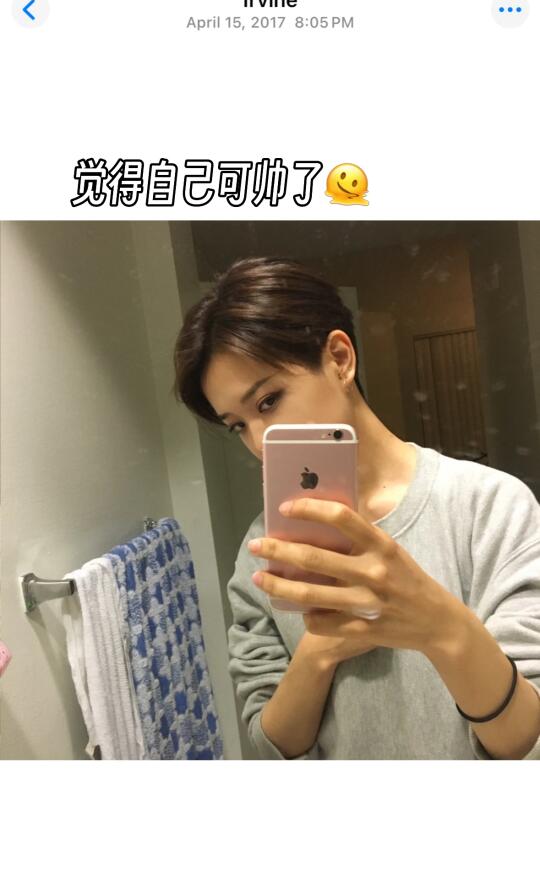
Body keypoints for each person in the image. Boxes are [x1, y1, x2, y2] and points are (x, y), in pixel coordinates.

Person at [173, 256, 540, 760]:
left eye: (268, 401)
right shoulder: (266, 550)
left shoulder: (490, 508)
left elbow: (526, 742)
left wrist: (442, 629)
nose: (258, 442)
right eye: (237, 424)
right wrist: (320, 649)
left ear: (340, 359)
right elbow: (271, 745)